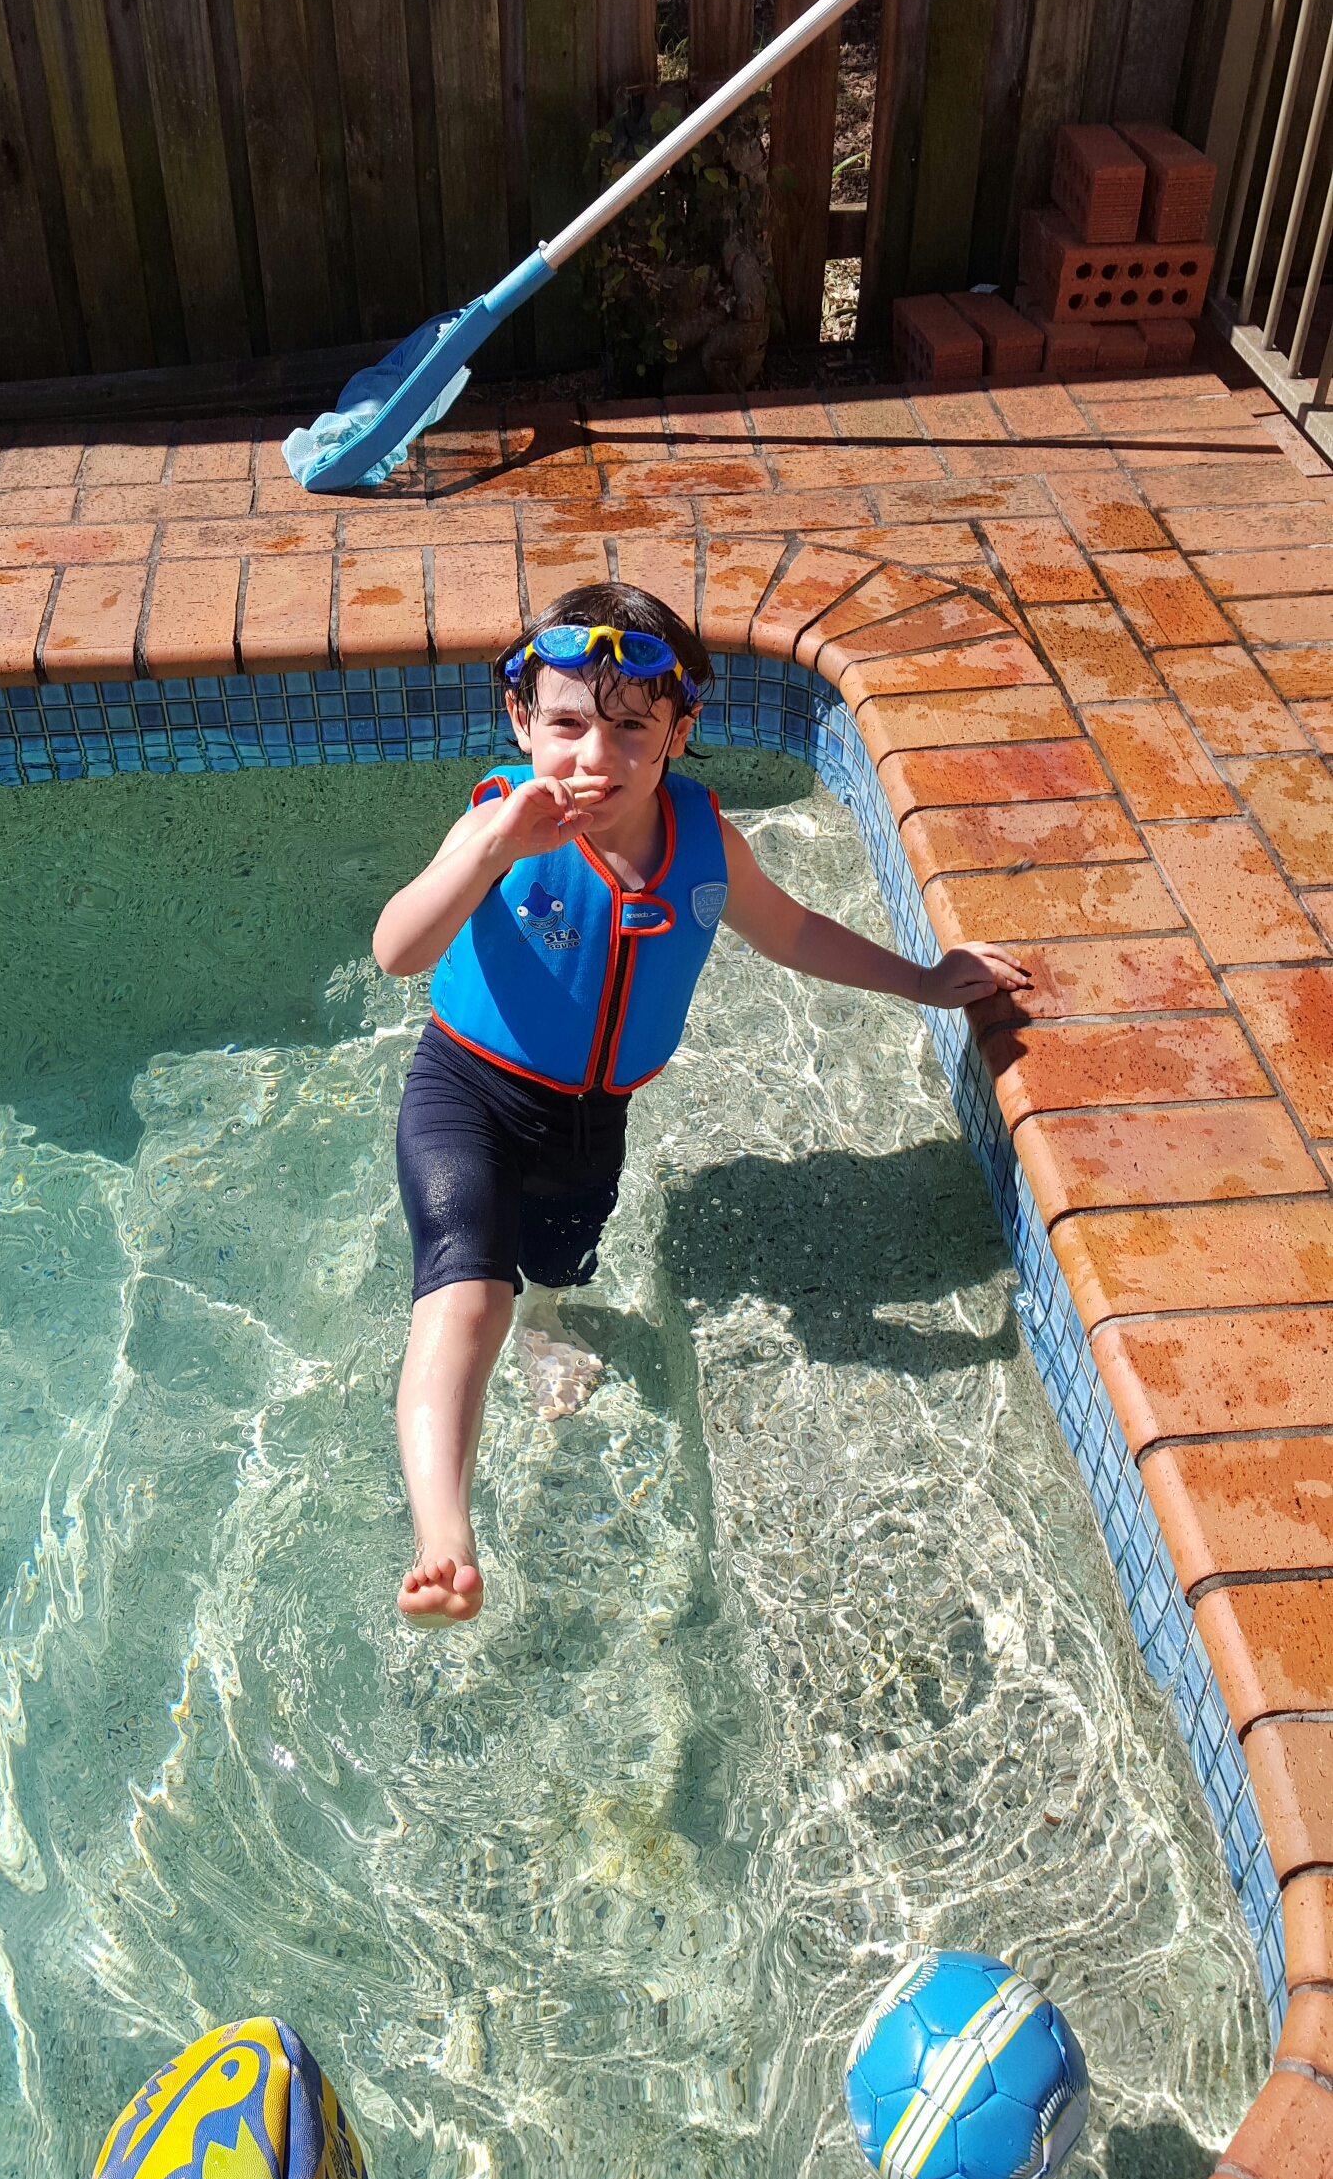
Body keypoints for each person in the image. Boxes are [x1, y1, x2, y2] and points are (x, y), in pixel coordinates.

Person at [372, 584, 1029, 1626]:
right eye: (566, 726)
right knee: (464, 1296)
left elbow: (793, 932)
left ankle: (548, 1321)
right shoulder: (496, 822)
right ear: (522, 722)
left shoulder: (704, 844)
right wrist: (493, 849)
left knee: (555, 1270)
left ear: (680, 729)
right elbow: (397, 948)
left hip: (592, 1121)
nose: (593, 757)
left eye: (630, 729)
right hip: (467, 1092)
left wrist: (922, 979)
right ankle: (444, 1539)